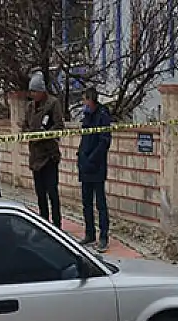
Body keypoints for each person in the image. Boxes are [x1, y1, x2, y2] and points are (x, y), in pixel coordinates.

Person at [24, 72, 65, 228]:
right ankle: (44, 223)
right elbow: (25, 126)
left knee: (52, 192)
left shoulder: (53, 103)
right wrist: (29, 134)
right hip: (35, 156)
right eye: (31, 92)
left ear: (42, 91)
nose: (32, 94)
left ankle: (56, 225)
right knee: (40, 193)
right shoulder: (29, 107)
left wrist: (43, 135)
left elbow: (59, 126)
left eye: (35, 91)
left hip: (49, 155)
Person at [77, 87, 112, 252]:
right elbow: (85, 139)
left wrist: (92, 159)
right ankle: (89, 233)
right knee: (86, 203)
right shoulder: (87, 116)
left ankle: (103, 236)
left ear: (91, 99)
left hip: (96, 167)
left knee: (100, 204)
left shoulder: (103, 116)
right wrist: (81, 157)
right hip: (85, 167)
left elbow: (104, 142)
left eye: (84, 100)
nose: (83, 103)